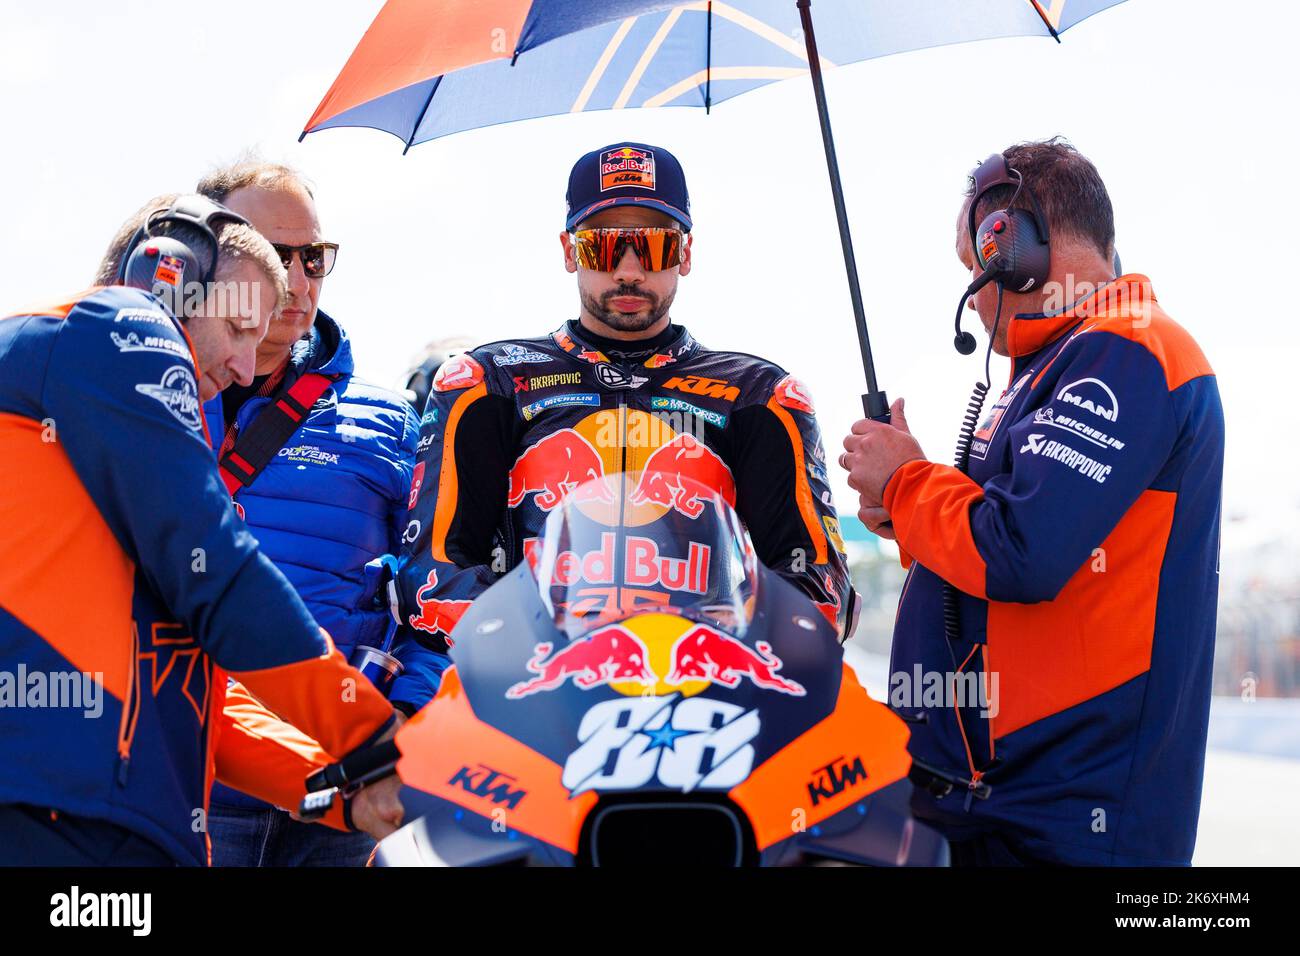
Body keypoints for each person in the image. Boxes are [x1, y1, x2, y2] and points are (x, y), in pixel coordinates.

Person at [838, 139, 1224, 866]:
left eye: (973, 270)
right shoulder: (1064, 360)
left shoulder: (1131, 349)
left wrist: (907, 480)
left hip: (1062, 818)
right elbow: (1007, 549)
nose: (976, 297)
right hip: (993, 800)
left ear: (1010, 245)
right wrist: (910, 518)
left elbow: (1021, 551)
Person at [0, 195, 402, 866]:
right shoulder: (119, 324)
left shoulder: (96, 407)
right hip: (61, 820)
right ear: (167, 274)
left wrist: (347, 792)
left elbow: (203, 699)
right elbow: (215, 569)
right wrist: (376, 736)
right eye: (240, 326)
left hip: (96, 822)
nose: (246, 368)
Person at [395, 141, 856, 671]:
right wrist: (541, 655)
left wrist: (711, 661)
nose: (630, 271)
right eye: (604, 248)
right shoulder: (487, 384)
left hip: (707, 694)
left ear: (685, 253)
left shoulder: (759, 395)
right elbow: (432, 574)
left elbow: (818, 586)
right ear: (569, 251)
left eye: (654, 247)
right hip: (526, 695)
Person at [188, 159, 442, 866]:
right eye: (276, 257)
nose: (298, 282)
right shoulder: (146, 400)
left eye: (315, 257)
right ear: (210, 260)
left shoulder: (393, 422)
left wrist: (404, 723)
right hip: (189, 782)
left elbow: (436, 599)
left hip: (346, 787)